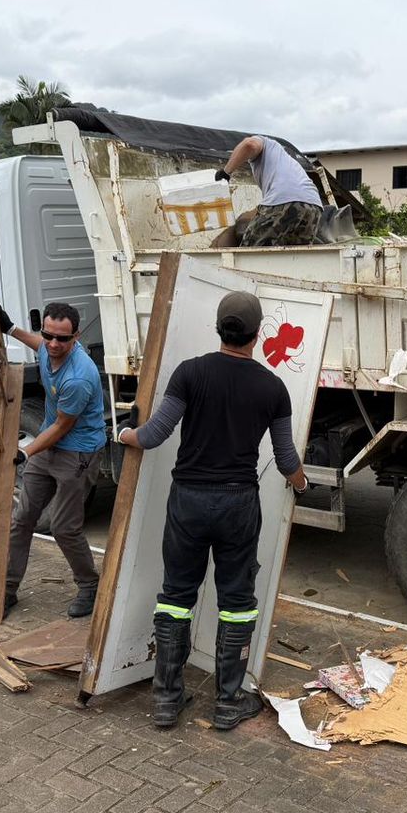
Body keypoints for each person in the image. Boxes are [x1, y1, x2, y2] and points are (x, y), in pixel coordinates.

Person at [117, 291, 309, 731]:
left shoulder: (190, 373)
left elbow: (151, 436)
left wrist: (126, 433)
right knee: (237, 602)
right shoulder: (272, 387)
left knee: (176, 597)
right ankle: (227, 702)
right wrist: (301, 484)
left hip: (188, 500)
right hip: (238, 504)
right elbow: (284, 458)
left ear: (219, 328)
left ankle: (166, 699)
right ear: (258, 335)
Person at [0, 301, 106, 619]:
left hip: (78, 453)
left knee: (64, 528)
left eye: (63, 339)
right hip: (49, 447)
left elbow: (61, 426)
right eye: (49, 335)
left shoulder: (79, 377)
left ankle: (89, 586)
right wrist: (10, 329)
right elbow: (39, 346)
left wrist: (25, 451)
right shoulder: (48, 346)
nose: (54, 344)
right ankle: (7, 589)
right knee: (22, 519)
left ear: (75, 337)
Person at [216, 135, 322, 246]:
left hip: (284, 200)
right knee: (294, 258)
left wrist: (226, 172)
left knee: (250, 254)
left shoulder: (265, 143)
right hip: (313, 206)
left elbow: (249, 144)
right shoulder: (283, 160)